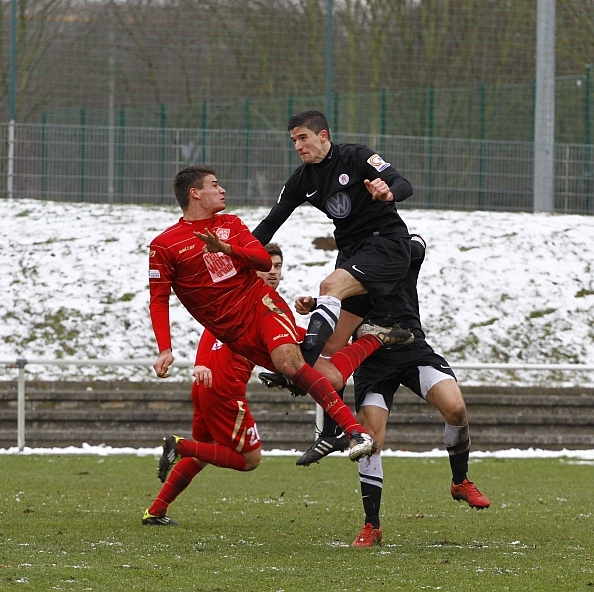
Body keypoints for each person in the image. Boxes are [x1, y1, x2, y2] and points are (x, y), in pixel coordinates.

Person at [143, 244, 387, 525]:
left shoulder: (246, 299)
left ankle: (157, 509)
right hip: (224, 389)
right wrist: (360, 338)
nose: (273, 272)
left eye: (278, 266)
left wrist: (318, 315)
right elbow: (219, 328)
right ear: (250, 266)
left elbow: (297, 339)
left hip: (206, 387)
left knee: (206, 449)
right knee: (249, 459)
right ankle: (179, 446)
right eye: (266, 265)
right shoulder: (258, 301)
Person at [147, 165, 376, 465]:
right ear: (195, 193)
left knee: (290, 364)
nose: (222, 189)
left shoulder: (231, 223)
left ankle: (356, 433)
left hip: (261, 305)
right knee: (325, 374)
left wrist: (226, 248)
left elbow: (260, 260)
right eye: (214, 185)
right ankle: (377, 338)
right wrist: (165, 348)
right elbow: (158, 299)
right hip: (237, 335)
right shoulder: (165, 245)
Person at [296, 235, 491, 547]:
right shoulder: (345, 267)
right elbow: (338, 310)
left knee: (456, 409)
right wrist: (318, 306)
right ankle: (371, 526)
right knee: (369, 442)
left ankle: (460, 481)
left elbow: (418, 246)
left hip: (412, 348)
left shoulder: (399, 249)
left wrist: (383, 246)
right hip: (372, 361)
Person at [252, 110, 415, 372]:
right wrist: (236, 254)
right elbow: (271, 223)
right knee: (330, 346)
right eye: (294, 140)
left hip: (386, 244)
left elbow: (403, 183)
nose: (298, 146)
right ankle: (378, 337)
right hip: (351, 252)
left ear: (323, 135)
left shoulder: (356, 156)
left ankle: (299, 367)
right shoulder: (301, 180)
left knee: (329, 286)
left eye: (303, 138)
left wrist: (388, 193)